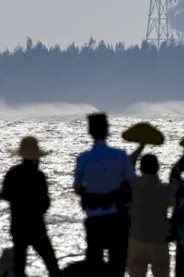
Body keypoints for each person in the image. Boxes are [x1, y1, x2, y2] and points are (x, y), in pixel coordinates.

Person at [74, 113, 136, 276]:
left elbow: (77, 187)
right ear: (107, 130)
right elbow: (132, 181)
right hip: (117, 218)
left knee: (95, 267)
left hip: (94, 217)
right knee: (118, 265)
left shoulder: (83, 158)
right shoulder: (119, 155)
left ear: (90, 131)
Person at [1, 136, 61, 277]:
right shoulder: (38, 175)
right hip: (36, 227)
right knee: (51, 264)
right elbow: (45, 204)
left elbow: (6, 195)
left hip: (18, 227)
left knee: (19, 266)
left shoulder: (12, 173)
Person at [128, 154, 173, 277]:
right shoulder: (165, 190)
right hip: (159, 241)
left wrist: (141, 145)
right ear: (158, 168)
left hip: (137, 239)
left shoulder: (134, 187)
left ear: (141, 168)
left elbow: (128, 165)